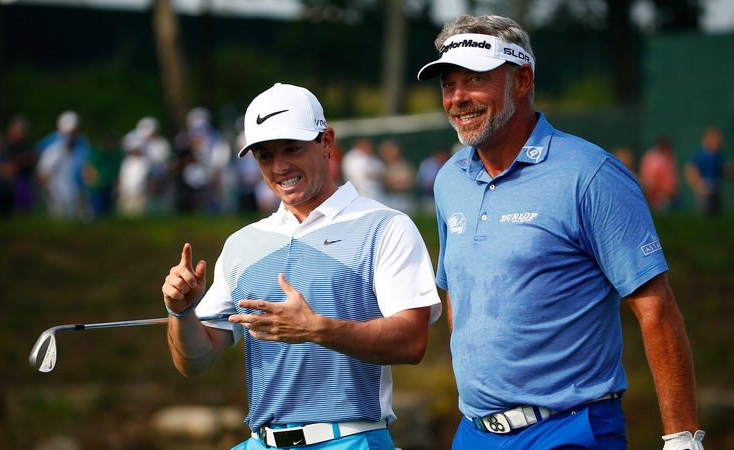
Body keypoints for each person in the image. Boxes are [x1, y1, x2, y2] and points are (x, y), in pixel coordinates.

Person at [417, 14, 704, 450]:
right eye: (447, 84)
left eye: (475, 79)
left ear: (522, 79)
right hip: (474, 432)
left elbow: (656, 309)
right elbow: (457, 292)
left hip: (569, 429)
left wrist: (682, 438)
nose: (458, 98)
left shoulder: (590, 174)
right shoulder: (449, 178)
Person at [161, 83, 442, 450]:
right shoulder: (242, 244)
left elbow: (411, 341)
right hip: (260, 442)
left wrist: (316, 329)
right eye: (264, 155)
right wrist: (180, 313)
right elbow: (194, 361)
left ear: (327, 141)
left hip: (351, 439)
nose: (279, 167)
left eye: (292, 148)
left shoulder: (385, 226)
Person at [684, 127, 732, 215]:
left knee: (716, 214)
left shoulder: (718, 156)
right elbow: (690, 169)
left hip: (716, 187)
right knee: (705, 213)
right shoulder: (701, 154)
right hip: (705, 187)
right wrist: (697, 185)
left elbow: (722, 170)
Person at [639, 136, 681, 212]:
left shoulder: (668, 157)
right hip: (659, 198)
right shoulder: (654, 159)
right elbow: (650, 183)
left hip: (671, 197)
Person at [341, 137, 386, 203]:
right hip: (359, 191)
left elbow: (382, 172)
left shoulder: (373, 157)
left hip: (376, 192)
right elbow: (363, 174)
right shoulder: (352, 156)